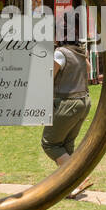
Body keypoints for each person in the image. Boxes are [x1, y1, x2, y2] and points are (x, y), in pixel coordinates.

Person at [42, 21, 93, 196]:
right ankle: (70, 188)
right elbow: (89, 69)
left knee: (50, 143)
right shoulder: (80, 52)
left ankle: (78, 177)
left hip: (67, 103)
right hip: (83, 102)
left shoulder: (61, 54)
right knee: (66, 145)